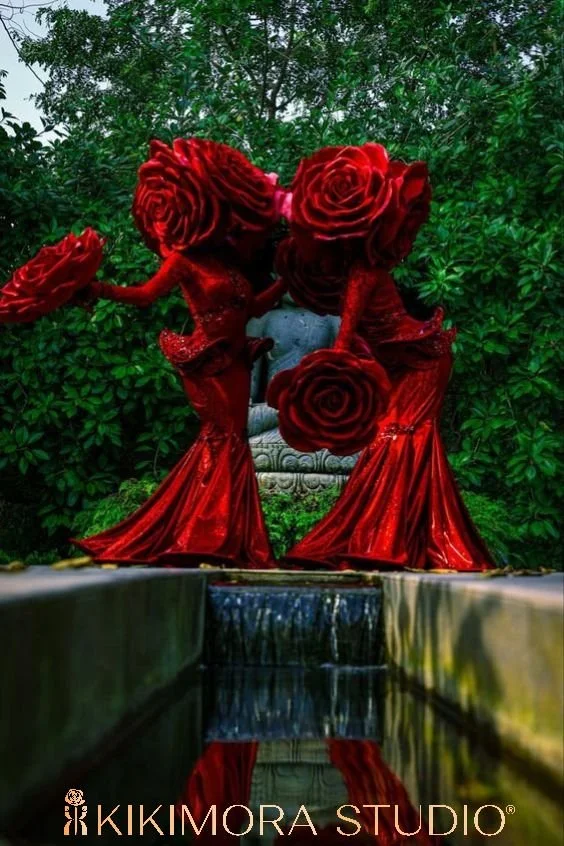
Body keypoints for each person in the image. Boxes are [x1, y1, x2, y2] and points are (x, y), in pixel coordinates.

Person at [71, 138, 287, 567]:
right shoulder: (183, 260)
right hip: (207, 361)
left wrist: (291, 276)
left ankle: (229, 538)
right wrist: (97, 289)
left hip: (237, 359)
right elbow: (145, 295)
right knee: (221, 438)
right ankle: (205, 536)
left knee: (234, 440)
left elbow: (252, 306)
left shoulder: (229, 262)